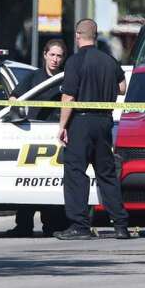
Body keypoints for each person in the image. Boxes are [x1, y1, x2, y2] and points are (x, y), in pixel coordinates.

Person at [54, 19, 131, 240]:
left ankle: (79, 226)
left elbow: (68, 96)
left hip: (81, 121)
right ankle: (120, 225)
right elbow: (122, 87)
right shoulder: (109, 60)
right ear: (95, 36)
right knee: (106, 173)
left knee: (75, 172)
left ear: (79, 35)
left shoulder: (75, 61)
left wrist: (62, 126)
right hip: (104, 121)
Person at [10, 39, 68, 237]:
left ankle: (52, 225)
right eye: (52, 55)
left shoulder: (65, 79)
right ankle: (23, 225)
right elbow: (14, 96)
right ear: (44, 55)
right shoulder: (34, 77)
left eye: (59, 56)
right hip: (33, 134)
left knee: (52, 183)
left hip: (56, 134)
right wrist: (16, 111)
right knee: (28, 182)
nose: (55, 59)